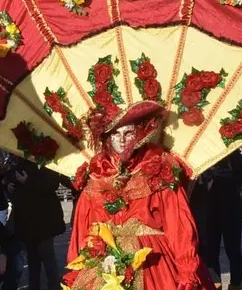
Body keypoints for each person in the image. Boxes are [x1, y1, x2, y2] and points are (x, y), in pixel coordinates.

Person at [64, 101, 212, 290]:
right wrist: (79, 267)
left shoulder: (157, 171)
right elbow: (83, 230)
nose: (122, 139)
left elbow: (178, 224)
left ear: (139, 134)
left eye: (128, 133)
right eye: (116, 134)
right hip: (106, 263)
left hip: (154, 263)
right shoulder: (96, 176)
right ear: (108, 139)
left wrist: (186, 268)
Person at [191, 150, 242, 290]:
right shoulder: (203, 158)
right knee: (212, 252)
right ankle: (216, 285)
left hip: (230, 211)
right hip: (211, 212)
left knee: (232, 251)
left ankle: (234, 285)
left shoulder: (233, 155)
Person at [6, 159, 66, 290]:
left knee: (47, 258)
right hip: (26, 219)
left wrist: (27, 182)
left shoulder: (47, 159)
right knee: (33, 260)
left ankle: (54, 287)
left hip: (45, 219)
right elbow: (11, 178)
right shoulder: (19, 158)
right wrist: (9, 186)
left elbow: (51, 184)